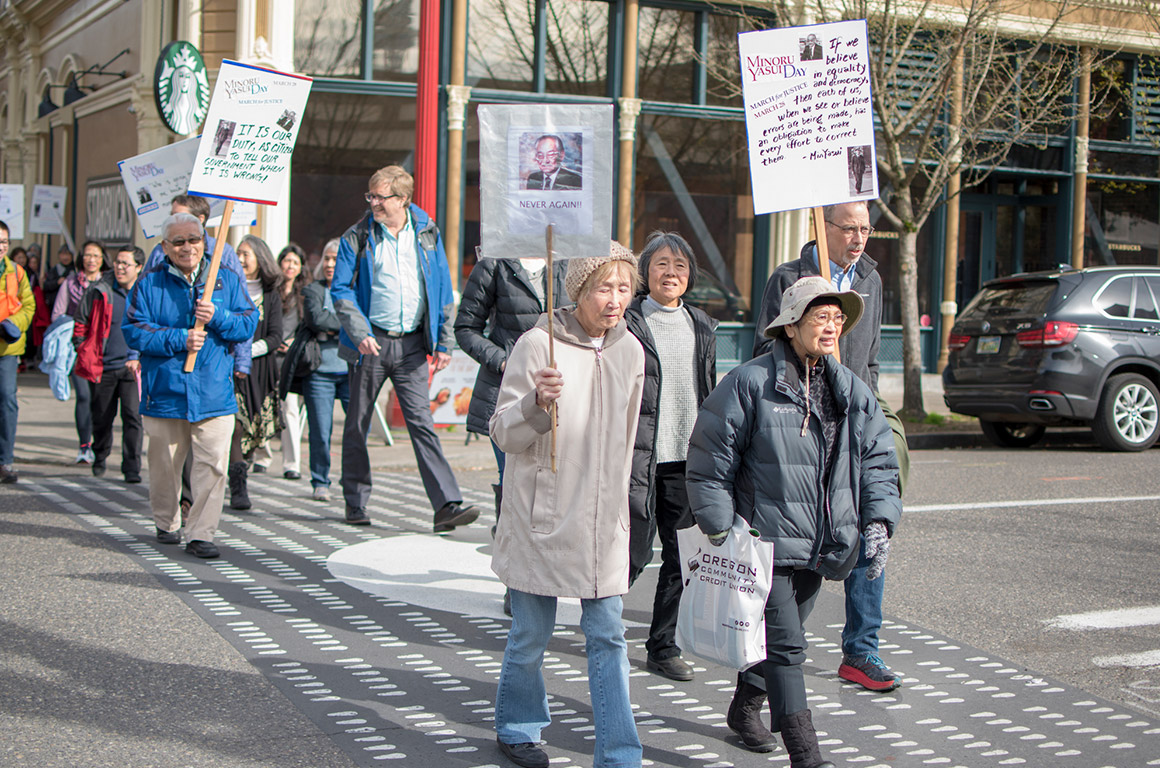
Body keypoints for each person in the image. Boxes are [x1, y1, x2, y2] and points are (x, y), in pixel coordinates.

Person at [687, 276, 901, 768]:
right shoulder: (749, 382)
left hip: (822, 542)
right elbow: (709, 459)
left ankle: (744, 711)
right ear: (791, 325)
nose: (832, 328)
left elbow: (879, 461)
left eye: (837, 319)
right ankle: (806, 754)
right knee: (788, 647)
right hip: (764, 541)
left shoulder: (852, 390)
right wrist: (720, 526)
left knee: (773, 641)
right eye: (820, 317)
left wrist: (878, 522)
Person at [490, 242, 645, 768]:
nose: (616, 300)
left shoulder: (631, 351)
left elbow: (628, 440)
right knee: (531, 633)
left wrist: (630, 506)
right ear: (579, 289)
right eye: (605, 287)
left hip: (604, 522)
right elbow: (502, 433)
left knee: (609, 636)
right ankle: (517, 726)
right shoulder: (538, 344)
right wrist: (536, 404)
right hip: (544, 516)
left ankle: (620, 753)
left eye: (625, 288)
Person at [751, 200, 908, 700]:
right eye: (850, 227)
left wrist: (869, 408)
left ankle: (861, 650)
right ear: (825, 227)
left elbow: (873, 355)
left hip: (855, 424)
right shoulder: (788, 276)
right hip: (803, 426)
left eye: (867, 228)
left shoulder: (871, 278)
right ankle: (768, 657)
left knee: (870, 530)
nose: (860, 237)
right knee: (806, 546)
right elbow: (765, 350)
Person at [331, 165, 477, 530]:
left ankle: (446, 505)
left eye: (381, 197)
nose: (374, 203)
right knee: (358, 424)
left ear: (404, 199)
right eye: (372, 196)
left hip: (413, 344)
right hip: (372, 343)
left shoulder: (427, 232)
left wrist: (444, 341)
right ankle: (355, 500)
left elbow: (442, 288)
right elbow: (341, 290)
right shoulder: (358, 235)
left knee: (422, 423)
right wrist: (359, 330)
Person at [123, 213, 257, 558]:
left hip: (213, 390)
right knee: (165, 465)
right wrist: (178, 338)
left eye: (194, 239)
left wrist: (218, 317)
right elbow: (134, 330)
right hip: (165, 391)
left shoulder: (225, 278)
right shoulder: (149, 283)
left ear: (204, 241)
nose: (187, 247)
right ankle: (167, 522)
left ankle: (201, 533)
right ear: (165, 247)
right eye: (178, 241)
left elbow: (246, 324)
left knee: (212, 466)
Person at [623, 231, 717, 683]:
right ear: (645, 272)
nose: (671, 274)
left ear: (690, 276)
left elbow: (708, 386)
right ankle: (598, 619)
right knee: (631, 553)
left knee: (682, 558)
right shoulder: (627, 319)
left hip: (685, 457)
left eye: (680, 266)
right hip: (637, 458)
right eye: (661, 264)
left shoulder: (702, 324)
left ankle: (662, 645)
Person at [453, 250, 568, 529]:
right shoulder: (494, 263)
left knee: (558, 481)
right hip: (508, 391)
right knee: (514, 477)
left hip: (561, 390)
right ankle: (508, 535)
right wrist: (505, 361)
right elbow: (466, 328)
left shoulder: (566, 260)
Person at [72, 245, 144, 482]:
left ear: (139, 267)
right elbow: (81, 321)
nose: (120, 267)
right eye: (118, 262)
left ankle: (131, 467)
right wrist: (83, 347)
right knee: (102, 416)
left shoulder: (144, 293)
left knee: (133, 416)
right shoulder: (100, 289)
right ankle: (100, 455)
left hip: (132, 367)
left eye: (126, 263)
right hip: (103, 365)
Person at [227, 235, 284, 510]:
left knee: (250, 430)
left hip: (259, 372)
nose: (240, 259)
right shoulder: (228, 289)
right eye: (237, 253)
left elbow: (276, 337)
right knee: (234, 427)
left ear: (260, 259)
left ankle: (239, 465)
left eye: (245, 254)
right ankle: (239, 487)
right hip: (229, 372)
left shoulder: (271, 295)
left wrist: (248, 352)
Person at [299, 239, 349, 502]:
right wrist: (346, 324)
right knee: (320, 430)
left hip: (351, 370)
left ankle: (351, 480)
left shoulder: (355, 290)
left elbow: (363, 320)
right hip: (319, 371)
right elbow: (316, 319)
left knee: (355, 430)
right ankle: (320, 480)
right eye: (327, 259)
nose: (330, 264)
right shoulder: (313, 290)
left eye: (336, 259)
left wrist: (332, 327)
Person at [52, 239, 108, 464]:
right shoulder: (71, 283)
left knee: (100, 400)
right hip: (79, 350)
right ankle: (84, 446)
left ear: (103, 259)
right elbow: (58, 314)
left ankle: (100, 445)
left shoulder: (109, 283)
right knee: (83, 396)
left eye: (95, 255)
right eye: (87, 255)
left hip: (103, 352)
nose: (91, 260)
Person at [0, 220, 34, 483]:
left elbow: (28, 307)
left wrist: (12, 324)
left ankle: (5, 461)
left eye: (4, 242)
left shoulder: (18, 273)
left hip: (8, 349)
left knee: (7, 400)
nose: (0, 247)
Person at [275, 243, 310, 480]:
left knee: (290, 409)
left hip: (291, 357)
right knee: (262, 405)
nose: (290, 266)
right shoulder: (271, 291)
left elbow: (307, 326)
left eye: (295, 263)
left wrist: (292, 342)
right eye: (287, 261)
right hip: (268, 354)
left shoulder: (306, 294)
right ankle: (260, 455)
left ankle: (292, 463)